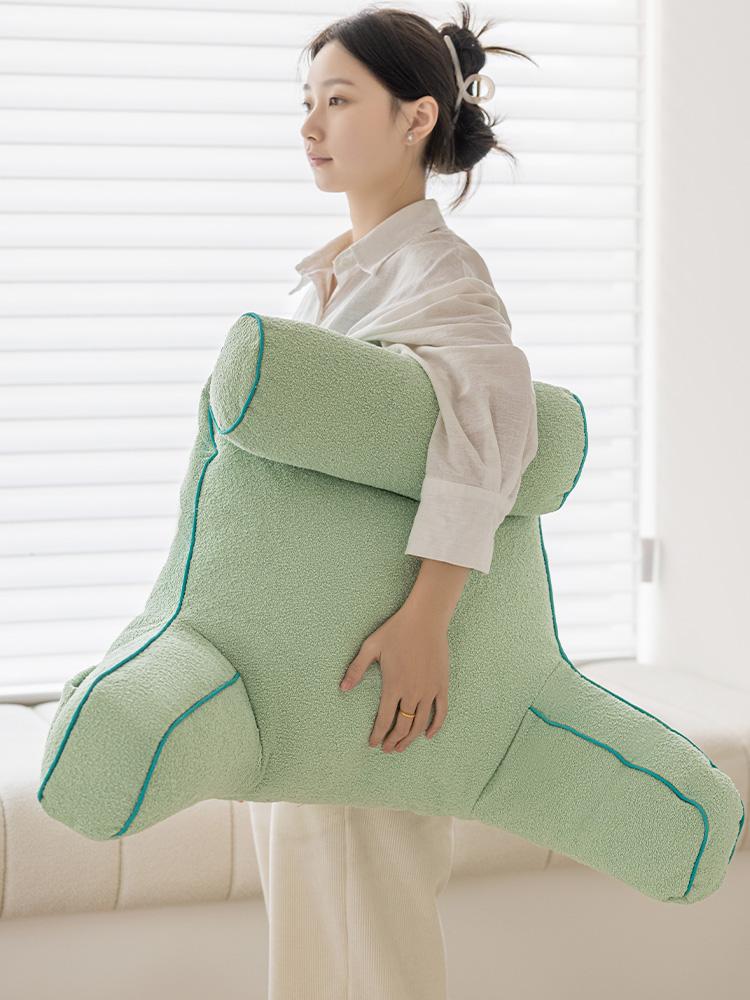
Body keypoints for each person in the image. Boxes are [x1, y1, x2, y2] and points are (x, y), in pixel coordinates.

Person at [248, 5, 538, 999]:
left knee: (368, 943)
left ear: (416, 119)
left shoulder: (438, 272)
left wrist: (426, 619)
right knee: (315, 942)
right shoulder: (328, 279)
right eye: (307, 101)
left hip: (380, 655)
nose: (309, 126)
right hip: (309, 658)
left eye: (337, 101)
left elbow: (492, 424)